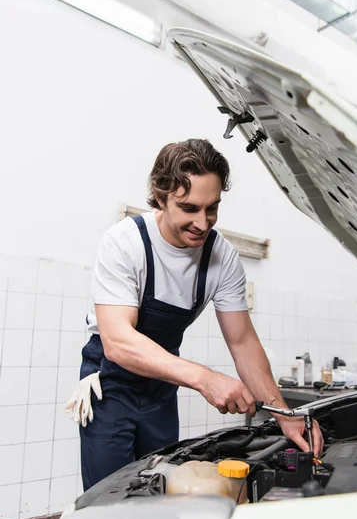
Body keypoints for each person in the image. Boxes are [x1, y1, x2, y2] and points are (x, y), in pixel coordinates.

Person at [66, 138, 323, 491]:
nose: (202, 223)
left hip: (161, 389)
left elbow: (243, 341)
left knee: (162, 488)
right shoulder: (125, 243)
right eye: (189, 208)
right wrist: (206, 379)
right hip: (110, 386)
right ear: (160, 197)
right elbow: (118, 342)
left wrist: (283, 413)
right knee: (109, 498)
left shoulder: (223, 257)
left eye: (212, 208)